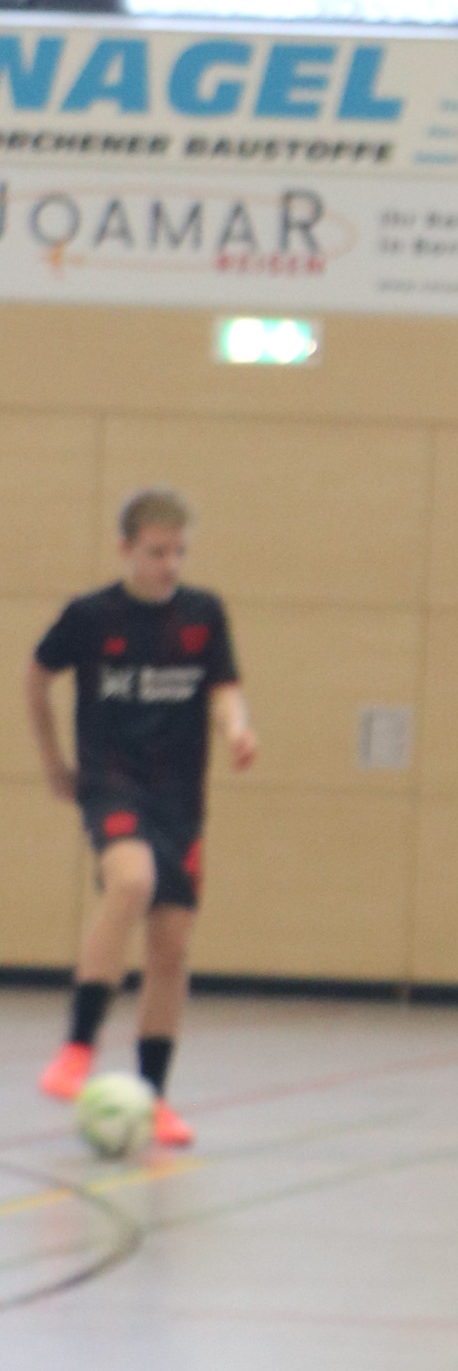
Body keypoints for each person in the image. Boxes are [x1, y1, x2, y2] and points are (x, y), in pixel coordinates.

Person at [24, 486, 258, 1149]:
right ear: (126, 550)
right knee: (131, 882)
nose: (169, 565)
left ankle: (154, 1098)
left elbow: (224, 687)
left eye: (179, 551)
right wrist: (52, 761)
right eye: (157, 552)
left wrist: (238, 729)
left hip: (181, 796)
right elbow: (36, 676)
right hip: (112, 780)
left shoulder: (204, 614)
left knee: (171, 948)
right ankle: (77, 1046)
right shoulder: (91, 616)